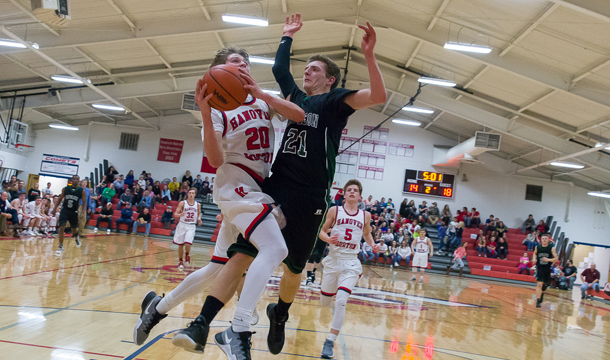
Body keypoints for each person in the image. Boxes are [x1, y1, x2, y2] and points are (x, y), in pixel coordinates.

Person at [197, 13, 386, 358]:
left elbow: (377, 94)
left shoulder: (333, 103)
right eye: (307, 68)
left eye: (314, 69)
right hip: (278, 186)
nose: (306, 72)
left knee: (295, 268)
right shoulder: (295, 97)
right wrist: (286, 36)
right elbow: (280, 70)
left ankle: (279, 313)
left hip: (312, 196)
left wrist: (370, 55)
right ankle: (205, 322)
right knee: (243, 253)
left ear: (330, 79)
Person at [137, 45, 305, 360]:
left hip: (256, 187)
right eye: (233, 62)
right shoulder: (217, 107)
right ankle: (238, 330)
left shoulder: (259, 98)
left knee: (217, 271)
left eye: (245, 62)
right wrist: (204, 110)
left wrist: (264, 94)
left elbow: (298, 115)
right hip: (235, 185)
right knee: (276, 248)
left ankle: (156, 308)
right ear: (221, 72)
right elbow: (214, 159)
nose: (241, 64)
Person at [316, 179, 378, 359]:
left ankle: (330, 340)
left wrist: (373, 244)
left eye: (355, 190)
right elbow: (321, 231)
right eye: (349, 190)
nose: (352, 192)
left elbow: (366, 234)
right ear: (344, 194)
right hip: (333, 260)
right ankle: (330, 291)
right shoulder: (335, 211)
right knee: (324, 302)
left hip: (351, 262)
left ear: (360, 196)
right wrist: (328, 240)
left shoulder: (365, 215)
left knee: (341, 300)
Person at [52, 175, 86, 255]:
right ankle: (60, 247)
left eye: (77, 179)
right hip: (65, 210)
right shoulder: (65, 189)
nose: (75, 180)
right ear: (71, 180)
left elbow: (84, 203)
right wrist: (54, 208)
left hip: (74, 211)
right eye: (74, 179)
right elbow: (60, 199)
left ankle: (76, 236)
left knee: (73, 230)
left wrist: (82, 212)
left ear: (79, 181)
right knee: (61, 227)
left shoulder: (81, 191)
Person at [173, 189, 202, 270]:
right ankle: (180, 261)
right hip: (182, 225)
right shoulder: (182, 203)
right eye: (190, 193)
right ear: (187, 194)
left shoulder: (198, 205)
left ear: (195, 195)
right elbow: (175, 214)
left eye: (193, 193)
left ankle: (187, 254)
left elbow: (199, 214)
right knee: (180, 245)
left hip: (191, 226)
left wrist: (199, 219)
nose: (191, 194)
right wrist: (179, 215)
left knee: (187, 243)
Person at [532, 233, 558, 308]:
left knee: (544, 285)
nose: (544, 240)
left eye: (546, 239)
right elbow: (534, 253)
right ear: (541, 239)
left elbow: (556, 259)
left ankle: (542, 293)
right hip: (539, 267)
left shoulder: (552, 248)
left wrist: (548, 259)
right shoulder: (537, 247)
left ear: (548, 240)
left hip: (547, 268)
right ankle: (538, 300)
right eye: (543, 239)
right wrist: (534, 258)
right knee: (539, 284)